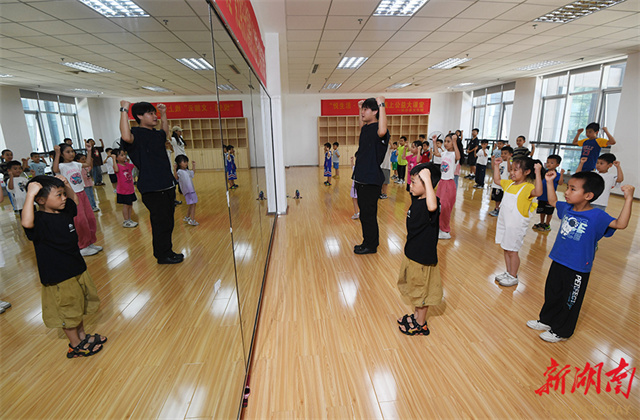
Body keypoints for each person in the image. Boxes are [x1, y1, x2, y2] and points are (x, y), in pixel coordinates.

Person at [527, 172, 634, 343]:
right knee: (552, 293)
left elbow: (620, 224)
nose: (567, 192)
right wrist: (549, 181)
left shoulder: (597, 215)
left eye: (572, 189)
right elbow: (553, 201)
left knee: (570, 300)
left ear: (588, 195)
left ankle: (561, 331)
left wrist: (628, 199)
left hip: (578, 267)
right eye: (567, 188)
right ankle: (546, 320)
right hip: (558, 259)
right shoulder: (567, 208)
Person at [21, 175, 107, 358]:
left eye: (63, 194)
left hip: (76, 267)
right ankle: (75, 345)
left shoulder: (64, 211)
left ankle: (82, 337)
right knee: (68, 310)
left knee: (77, 305)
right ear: (41, 200)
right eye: (58, 195)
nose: (63, 198)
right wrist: (30, 195)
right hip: (58, 275)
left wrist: (66, 184)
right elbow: (26, 222)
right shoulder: (39, 220)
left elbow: (75, 201)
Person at [119, 100, 182, 264]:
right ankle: (162, 255)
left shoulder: (156, 134)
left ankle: (168, 251)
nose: (155, 116)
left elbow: (165, 131)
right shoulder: (135, 134)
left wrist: (164, 114)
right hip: (152, 187)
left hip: (167, 184)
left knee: (168, 222)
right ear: (139, 116)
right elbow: (125, 136)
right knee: (160, 223)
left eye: (155, 113)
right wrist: (124, 109)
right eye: (151, 113)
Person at [396, 162, 442, 336]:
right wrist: (419, 177)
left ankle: (420, 324)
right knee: (415, 288)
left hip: (422, 258)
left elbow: (432, 206)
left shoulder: (432, 205)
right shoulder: (417, 199)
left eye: (414, 182)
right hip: (412, 253)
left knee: (421, 292)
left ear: (428, 185)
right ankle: (416, 317)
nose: (410, 185)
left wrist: (427, 179)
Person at [492, 157, 542, 287]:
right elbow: (497, 180)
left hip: (516, 225)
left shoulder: (528, 187)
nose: (512, 172)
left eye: (516, 170)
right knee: (506, 248)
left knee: (512, 251)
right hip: (505, 223)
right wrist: (496, 166)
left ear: (527, 172)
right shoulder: (509, 184)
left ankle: (513, 276)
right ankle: (508, 272)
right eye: (511, 169)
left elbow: (538, 192)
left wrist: (538, 172)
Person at [352, 97, 389, 255]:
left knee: (368, 215)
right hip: (361, 177)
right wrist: (359, 108)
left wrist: (382, 104)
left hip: (371, 179)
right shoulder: (366, 128)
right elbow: (361, 125)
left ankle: (371, 245)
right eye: (362, 109)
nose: (362, 112)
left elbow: (382, 131)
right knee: (364, 215)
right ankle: (367, 242)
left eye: (366, 109)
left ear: (375, 112)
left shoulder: (380, 130)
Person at [53, 143, 102, 257]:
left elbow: (88, 164)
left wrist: (89, 151)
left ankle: (90, 242)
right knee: (80, 221)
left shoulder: (76, 164)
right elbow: (55, 169)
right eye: (68, 152)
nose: (71, 154)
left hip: (82, 192)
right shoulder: (61, 166)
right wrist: (57, 153)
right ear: (62, 154)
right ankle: (82, 246)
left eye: (72, 151)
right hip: (72, 195)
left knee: (90, 218)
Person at [433, 133, 460, 239]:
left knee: (445, 207)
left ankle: (445, 230)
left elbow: (458, 157)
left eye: (448, 141)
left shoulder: (454, 154)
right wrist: (434, 142)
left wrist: (455, 142)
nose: (445, 143)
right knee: (439, 205)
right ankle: (440, 227)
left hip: (449, 183)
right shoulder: (444, 153)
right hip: (442, 182)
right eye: (445, 141)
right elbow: (436, 153)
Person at [533, 154, 564, 232]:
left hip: (550, 197)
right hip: (542, 195)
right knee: (542, 210)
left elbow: (560, 183)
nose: (549, 164)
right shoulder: (544, 172)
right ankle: (542, 223)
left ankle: (547, 224)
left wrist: (562, 174)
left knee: (549, 212)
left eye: (552, 163)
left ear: (557, 165)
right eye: (548, 162)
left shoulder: (557, 175)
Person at [108, 148, 138, 228]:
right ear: (116, 158)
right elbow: (116, 169)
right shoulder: (117, 166)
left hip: (130, 189)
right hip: (123, 191)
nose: (124, 156)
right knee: (126, 205)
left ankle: (129, 219)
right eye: (121, 155)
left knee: (130, 204)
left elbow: (135, 165)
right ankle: (126, 221)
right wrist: (113, 159)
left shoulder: (127, 165)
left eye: (124, 154)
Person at [489, 146, 513, 217]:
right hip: (496, 184)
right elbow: (493, 167)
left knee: (501, 198)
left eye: (505, 153)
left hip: (503, 184)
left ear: (510, 154)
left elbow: (509, 170)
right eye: (502, 153)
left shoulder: (511, 163)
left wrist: (508, 160)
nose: (503, 155)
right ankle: (496, 209)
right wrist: (493, 160)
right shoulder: (500, 161)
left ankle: (500, 210)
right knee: (497, 198)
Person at [175, 154, 199, 226]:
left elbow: (192, 173)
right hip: (189, 191)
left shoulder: (187, 171)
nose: (186, 163)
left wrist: (193, 166)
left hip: (191, 190)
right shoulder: (179, 171)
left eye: (186, 162)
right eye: (184, 162)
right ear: (179, 163)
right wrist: (174, 169)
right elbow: (176, 178)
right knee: (193, 204)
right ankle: (192, 220)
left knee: (192, 204)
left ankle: (187, 217)